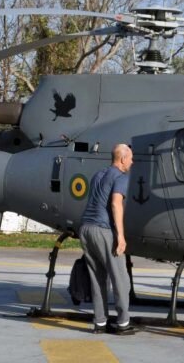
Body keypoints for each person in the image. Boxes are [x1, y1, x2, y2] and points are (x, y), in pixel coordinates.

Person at [78, 143, 137, 335]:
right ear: (122, 159)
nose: (132, 161)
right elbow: (115, 204)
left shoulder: (98, 174)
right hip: (103, 230)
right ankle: (123, 323)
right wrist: (121, 236)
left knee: (97, 278)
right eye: (130, 158)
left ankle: (100, 323)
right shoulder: (121, 176)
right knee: (120, 278)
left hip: (86, 229)